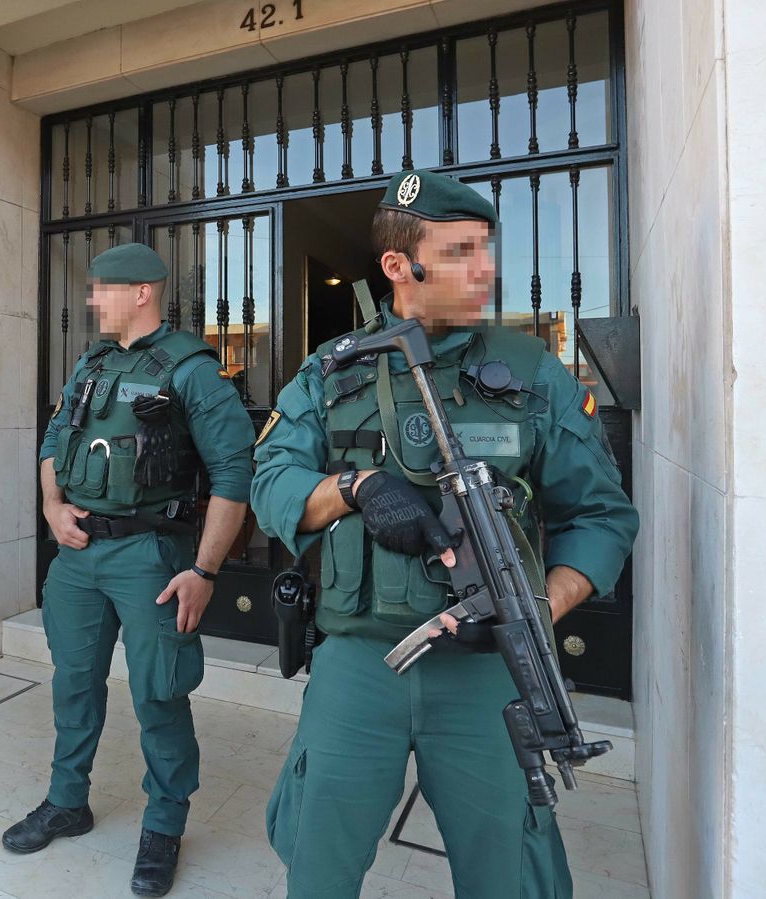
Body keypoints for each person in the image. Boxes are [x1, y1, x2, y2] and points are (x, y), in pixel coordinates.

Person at [251, 171, 639, 898]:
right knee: (318, 857)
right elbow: (270, 484)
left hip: (488, 672)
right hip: (360, 662)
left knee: (509, 869)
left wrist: (535, 607)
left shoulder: (531, 375)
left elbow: (601, 515)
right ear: (400, 266)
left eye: (486, 249)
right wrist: (353, 488)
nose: (485, 269)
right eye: (460, 251)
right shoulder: (329, 374)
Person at [8, 243, 254, 897]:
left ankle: (165, 824)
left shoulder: (192, 368)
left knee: (159, 692)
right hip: (79, 554)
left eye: (102, 290)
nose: (92, 301)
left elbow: (235, 474)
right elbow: (52, 440)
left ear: (142, 291)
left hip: (151, 556)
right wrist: (52, 505)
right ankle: (68, 801)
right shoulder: (91, 363)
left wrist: (204, 570)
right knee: (74, 683)